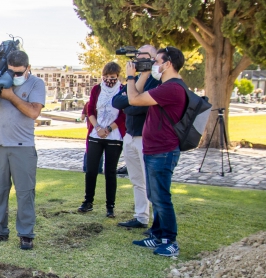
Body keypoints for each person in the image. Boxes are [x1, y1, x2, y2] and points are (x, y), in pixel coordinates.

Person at [0, 50, 45, 250]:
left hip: (23, 147)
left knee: (25, 193)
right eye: (11, 72)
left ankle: (26, 233)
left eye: (19, 73)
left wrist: (9, 96)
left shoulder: (36, 83)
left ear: (28, 68)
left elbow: (34, 112)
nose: (14, 76)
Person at [126, 47, 187, 257]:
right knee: (155, 195)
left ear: (168, 63)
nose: (154, 66)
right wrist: (142, 75)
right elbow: (136, 99)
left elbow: (133, 98)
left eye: (157, 62)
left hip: (163, 150)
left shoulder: (172, 88)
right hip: (154, 149)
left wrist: (130, 76)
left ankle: (170, 240)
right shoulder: (165, 86)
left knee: (161, 197)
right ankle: (158, 235)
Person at [112, 45, 160, 230]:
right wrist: (134, 86)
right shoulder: (135, 79)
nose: (138, 57)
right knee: (136, 180)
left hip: (146, 137)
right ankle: (141, 216)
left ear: (154, 58)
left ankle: (158, 222)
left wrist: (130, 102)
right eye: (137, 54)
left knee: (151, 181)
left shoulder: (156, 81)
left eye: (143, 54)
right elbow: (118, 102)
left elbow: (135, 107)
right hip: (130, 136)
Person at [77, 62, 126, 218]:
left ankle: (110, 206)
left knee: (110, 172)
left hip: (114, 135)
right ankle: (88, 201)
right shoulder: (97, 89)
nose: (109, 79)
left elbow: (124, 115)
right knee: (91, 169)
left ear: (117, 76)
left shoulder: (123, 90)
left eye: (112, 77)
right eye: (106, 76)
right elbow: (90, 109)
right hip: (96, 134)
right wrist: (97, 127)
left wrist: (109, 129)